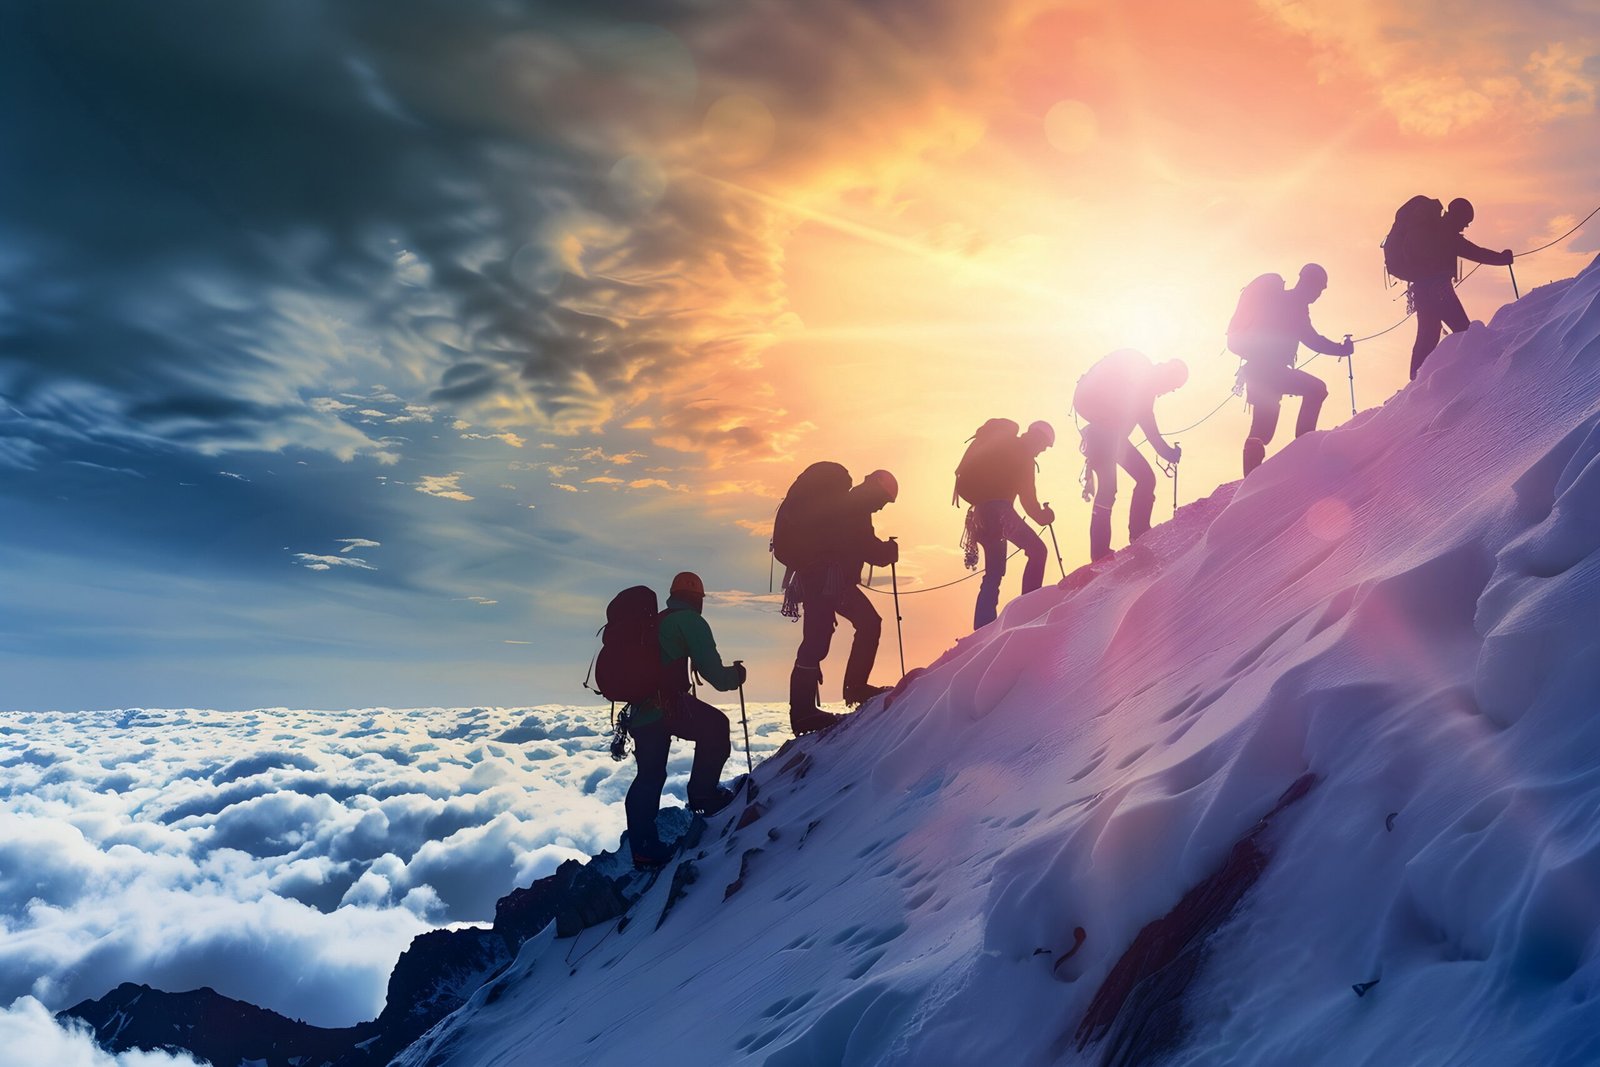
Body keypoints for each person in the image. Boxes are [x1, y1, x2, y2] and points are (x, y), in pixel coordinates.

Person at [624, 571, 744, 869]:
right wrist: (736, 676)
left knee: (649, 776)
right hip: (668, 707)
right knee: (715, 727)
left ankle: (643, 849)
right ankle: (703, 794)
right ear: (697, 599)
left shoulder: (657, 621)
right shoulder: (690, 621)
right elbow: (714, 674)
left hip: (640, 712)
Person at [789, 469, 899, 734]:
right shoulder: (856, 506)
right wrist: (888, 551)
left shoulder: (846, 503)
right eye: (884, 500)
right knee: (862, 625)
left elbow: (856, 544)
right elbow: (864, 546)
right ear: (876, 489)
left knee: (820, 639)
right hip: (829, 582)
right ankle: (847, 691)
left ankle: (808, 708)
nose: (882, 506)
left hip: (819, 579)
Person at [1232, 264, 1353, 476]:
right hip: (1271, 372)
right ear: (1308, 282)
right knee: (1316, 390)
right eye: (1319, 288)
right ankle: (1304, 447)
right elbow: (1312, 339)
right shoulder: (1294, 305)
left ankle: (1249, 480)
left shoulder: (1282, 301)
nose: (1318, 294)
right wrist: (1340, 350)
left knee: (1263, 432)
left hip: (1260, 373)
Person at [1073, 350, 1185, 562]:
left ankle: (1103, 550)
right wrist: (1167, 452)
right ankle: (1137, 534)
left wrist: (1165, 451)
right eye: (1173, 386)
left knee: (1112, 487)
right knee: (1137, 480)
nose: (1169, 391)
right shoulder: (1145, 381)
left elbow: (1141, 420)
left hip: (1103, 435)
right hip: (1106, 436)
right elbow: (1147, 424)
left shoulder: (1142, 375)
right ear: (1169, 376)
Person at [961, 421, 1056, 629]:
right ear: (1038, 438)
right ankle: (1028, 609)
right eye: (1044, 445)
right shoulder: (1024, 455)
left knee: (994, 572)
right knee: (1038, 551)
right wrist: (1044, 517)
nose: (1042, 451)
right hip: (1000, 512)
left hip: (980, 514)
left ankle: (983, 626)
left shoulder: (1004, 446)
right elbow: (1028, 501)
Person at [1408, 198, 1513, 379]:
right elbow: (1477, 253)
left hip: (1422, 291)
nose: (1464, 227)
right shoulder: (1447, 234)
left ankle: (1415, 380)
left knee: (1427, 335)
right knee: (1464, 331)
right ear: (1458, 216)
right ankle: (1469, 374)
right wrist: (1502, 259)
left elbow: (1475, 251)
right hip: (1439, 290)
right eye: (1465, 222)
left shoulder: (1435, 230)